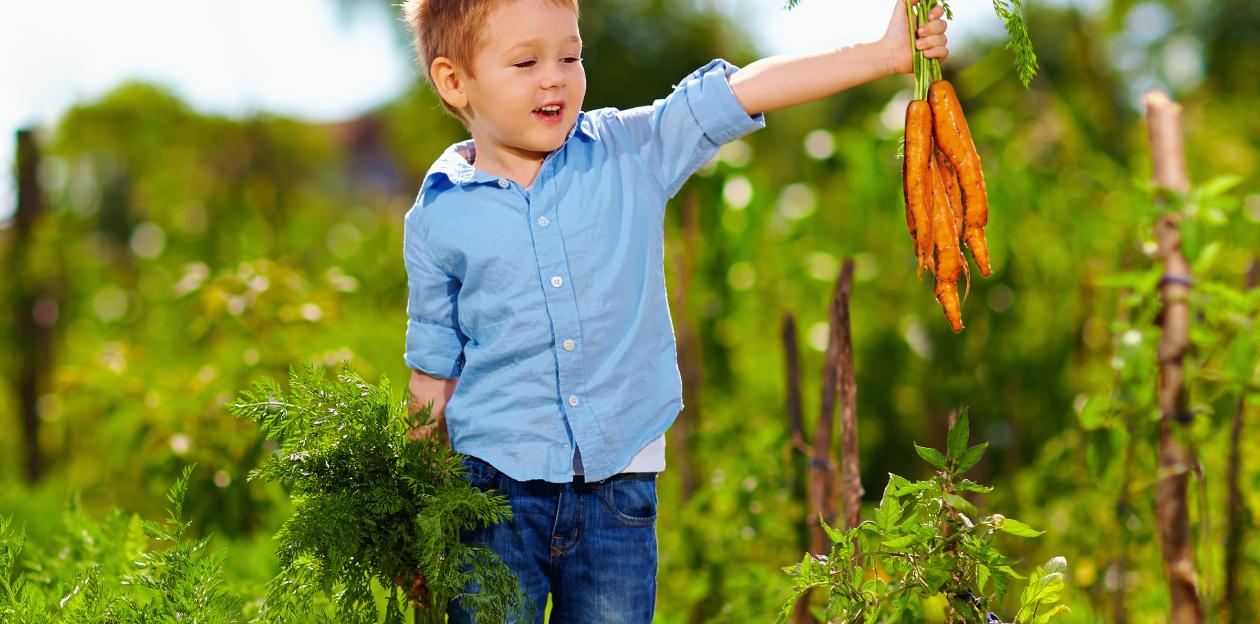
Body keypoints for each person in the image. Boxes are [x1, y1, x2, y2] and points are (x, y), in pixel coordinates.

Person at [398, 0, 949, 621]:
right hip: (490, 494)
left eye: (571, 55)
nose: (555, 76)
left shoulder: (631, 152)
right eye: (525, 61)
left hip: (618, 492)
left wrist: (884, 55)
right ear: (454, 81)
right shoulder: (437, 217)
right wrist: (422, 517)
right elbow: (433, 373)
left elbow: (741, 91)